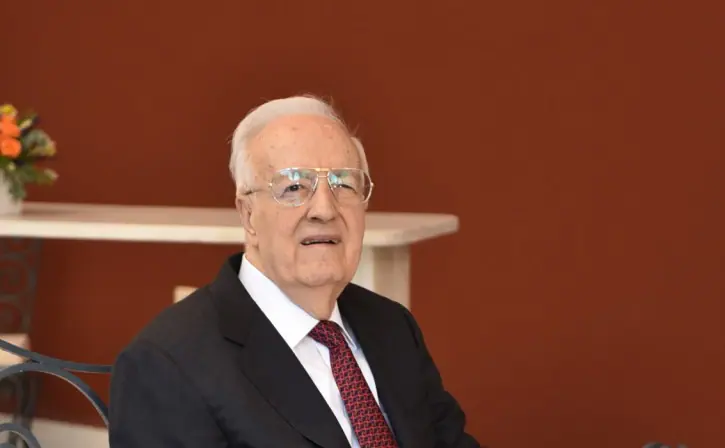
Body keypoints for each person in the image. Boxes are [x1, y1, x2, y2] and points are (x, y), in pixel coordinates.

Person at [108, 95, 481, 448]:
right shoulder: (166, 365)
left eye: (343, 184)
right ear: (248, 215)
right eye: (294, 187)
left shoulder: (392, 326)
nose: (325, 209)